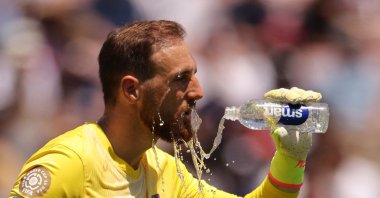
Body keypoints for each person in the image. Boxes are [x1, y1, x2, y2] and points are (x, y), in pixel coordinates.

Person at [10, 20, 322, 197]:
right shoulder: (69, 165)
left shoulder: (164, 170)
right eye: (180, 79)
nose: (198, 92)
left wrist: (290, 158)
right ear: (132, 90)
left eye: (195, 75)